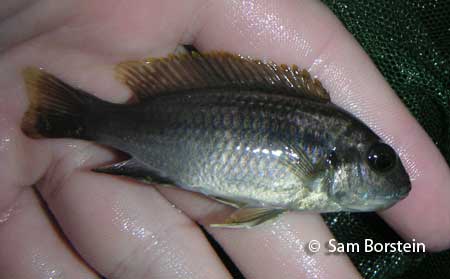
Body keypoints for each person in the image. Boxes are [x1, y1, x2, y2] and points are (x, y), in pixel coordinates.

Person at [0, 0, 449, 278]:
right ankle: (77, 115)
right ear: (340, 161)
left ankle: (78, 116)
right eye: (379, 160)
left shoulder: (329, 147)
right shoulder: (327, 147)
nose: (386, 171)